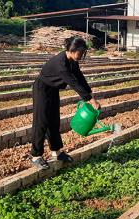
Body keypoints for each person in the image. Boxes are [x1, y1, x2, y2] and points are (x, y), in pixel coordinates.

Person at [31, 36, 101, 169]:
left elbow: (80, 77)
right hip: (42, 89)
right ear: (72, 49)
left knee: (54, 120)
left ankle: (56, 152)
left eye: (83, 53)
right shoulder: (61, 63)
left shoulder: (72, 61)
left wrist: (91, 94)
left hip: (52, 90)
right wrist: (90, 100)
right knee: (41, 122)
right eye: (80, 53)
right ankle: (36, 156)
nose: (81, 55)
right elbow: (74, 83)